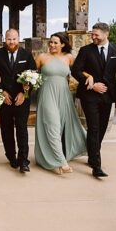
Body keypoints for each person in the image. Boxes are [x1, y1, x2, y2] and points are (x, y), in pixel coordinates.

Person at [71, 22, 116, 179]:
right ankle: (96, 166)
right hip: (89, 95)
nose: (93, 37)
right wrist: (91, 83)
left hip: (108, 96)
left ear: (106, 34)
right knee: (94, 128)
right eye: (92, 34)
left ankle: (92, 154)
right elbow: (75, 70)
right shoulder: (85, 50)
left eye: (96, 34)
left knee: (102, 128)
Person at [35, 32, 88, 174]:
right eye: (50, 42)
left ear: (63, 44)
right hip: (47, 94)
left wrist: (90, 76)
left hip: (64, 96)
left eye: (55, 43)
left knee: (67, 126)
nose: (52, 45)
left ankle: (89, 147)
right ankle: (61, 161)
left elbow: (78, 71)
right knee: (53, 125)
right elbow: (32, 74)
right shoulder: (42, 57)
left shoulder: (68, 58)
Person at [0, 28, 37, 173]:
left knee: (22, 129)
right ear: (5, 39)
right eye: (9, 39)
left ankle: (24, 161)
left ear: (19, 39)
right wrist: (1, 92)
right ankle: (11, 157)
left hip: (22, 99)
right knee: (6, 129)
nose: (11, 42)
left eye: (14, 39)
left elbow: (33, 75)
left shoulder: (26, 54)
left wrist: (24, 92)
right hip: (5, 99)